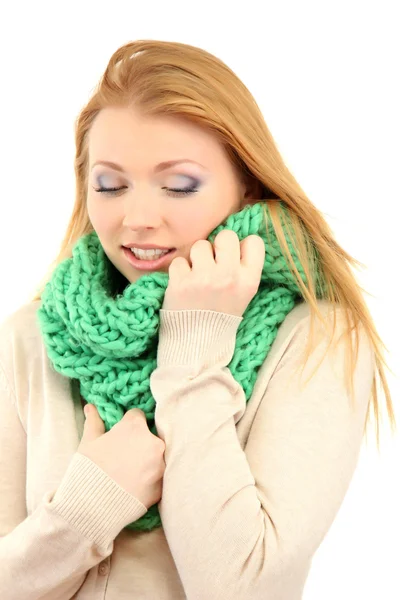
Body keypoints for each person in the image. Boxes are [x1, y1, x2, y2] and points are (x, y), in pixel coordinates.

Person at [0, 39, 395, 600]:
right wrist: (85, 510)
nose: (137, 218)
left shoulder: (317, 339)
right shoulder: (29, 338)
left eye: (179, 185)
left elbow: (242, 588)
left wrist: (193, 350)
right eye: (110, 185)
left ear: (247, 185)